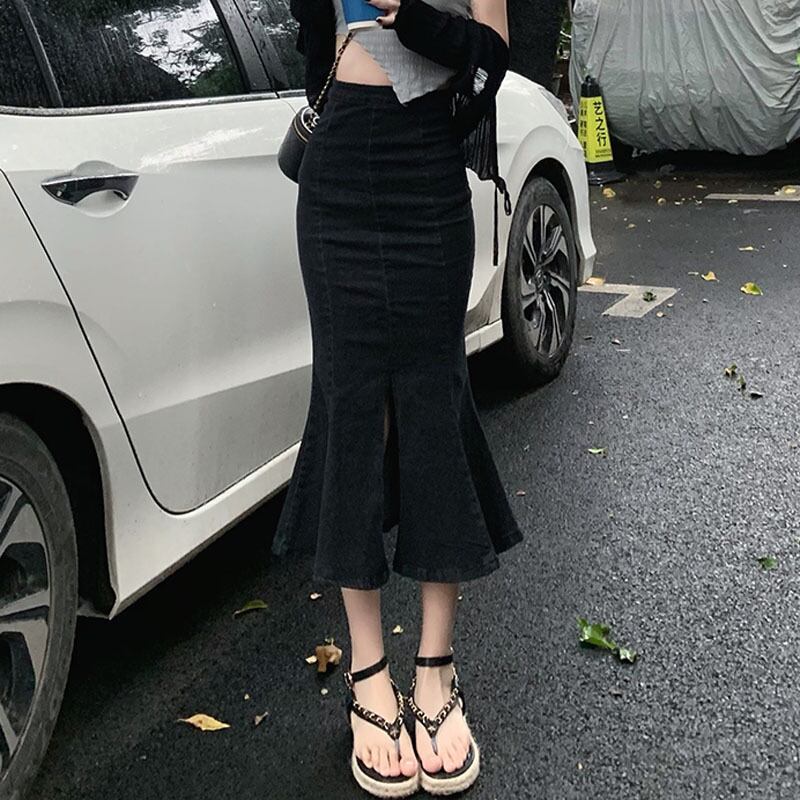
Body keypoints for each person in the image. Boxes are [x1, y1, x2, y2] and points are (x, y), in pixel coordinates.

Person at [273, 0, 522, 794]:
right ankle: (369, 672)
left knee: (433, 408)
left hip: (428, 173)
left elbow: (492, 56)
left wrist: (412, 16)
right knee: (353, 413)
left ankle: (436, 667)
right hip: (339, 177)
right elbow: (314, 46)